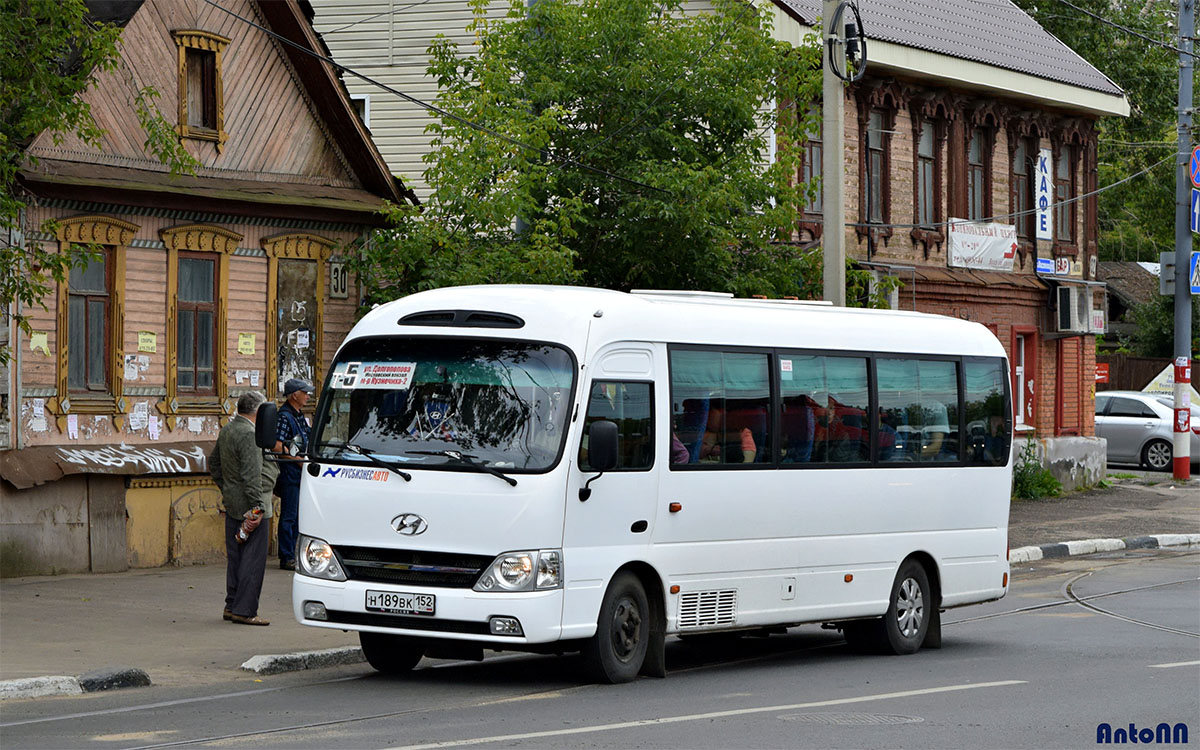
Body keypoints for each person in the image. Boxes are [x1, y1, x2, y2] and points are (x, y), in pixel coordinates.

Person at [209, 391, 277, 626]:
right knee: (253, 560)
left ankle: (232, 604)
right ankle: (245, 610)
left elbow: (214, 464)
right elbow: (252, 475)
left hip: (233, 502)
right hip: (252, 505)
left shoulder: (228, 429)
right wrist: (258, 507)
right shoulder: (250, 434)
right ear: (259, 412)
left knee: (236, 557)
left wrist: (227, 488)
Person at [274, 378, 313, 571]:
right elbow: (277, 445)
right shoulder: (284, 416)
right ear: (294, 395)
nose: (308, 396)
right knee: (289, 516)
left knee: (298, 516)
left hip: (300, 472)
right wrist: (298, 461)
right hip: (290, 472)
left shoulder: (298, 415)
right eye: (305, 393)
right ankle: (286, 556)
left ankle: (295, 554)